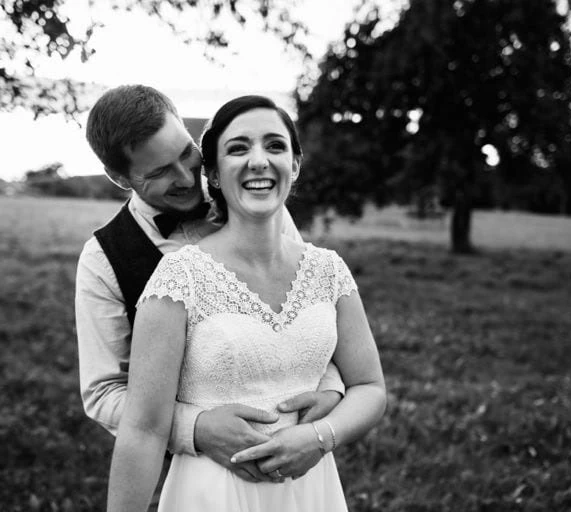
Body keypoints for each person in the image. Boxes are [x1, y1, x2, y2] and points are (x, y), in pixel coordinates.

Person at [106, 95, 387, 512]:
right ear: (214, 175)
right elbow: (143, 430)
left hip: (312, 492)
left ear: (295, 165)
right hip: (213, 495)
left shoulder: (328, 270)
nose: (259, 161)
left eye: (275, 145)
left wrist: (320, 436)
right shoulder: (179, 278)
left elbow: (370, 388)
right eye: (238, 149)